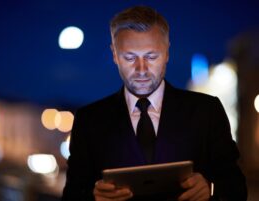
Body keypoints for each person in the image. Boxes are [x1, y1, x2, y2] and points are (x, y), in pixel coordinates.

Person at [61, 5, 247, 201]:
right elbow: (72, 195)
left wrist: (210, 189)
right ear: (114, 55)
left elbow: (237, 187)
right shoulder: (88, 120)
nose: (141, 69)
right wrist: (93, 197)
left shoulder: (207, 111)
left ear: (167, 53)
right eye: (130, 57)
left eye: (151, 56)